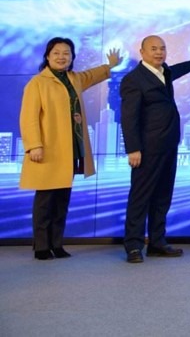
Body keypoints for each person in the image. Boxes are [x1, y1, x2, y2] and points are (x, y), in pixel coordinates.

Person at [19, 37, 121, 260]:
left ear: (72, 57)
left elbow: (91, 76)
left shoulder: (73, 78)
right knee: (45, 201)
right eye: (56, 53)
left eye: (66, 53)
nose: (61, 57)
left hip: (70, 150)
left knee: (62, 200)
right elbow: (29, 118)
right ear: (47, 56)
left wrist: (110, 65)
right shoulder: (38, 83)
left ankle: (57, 244)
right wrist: (34, 145)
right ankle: (41, 246)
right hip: (47, 151)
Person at [120, 35, 190, 263]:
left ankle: (157, 242)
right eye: (153, 49)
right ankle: (133, 246)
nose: (159, 52)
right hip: (146, 148)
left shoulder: (164, 71)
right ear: (142, 52)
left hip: (169, 145)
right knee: (140, 197)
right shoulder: (133, 79)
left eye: (162, 48)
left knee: (162, 196)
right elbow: (129, 117)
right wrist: (133, 149)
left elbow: (176, 70)